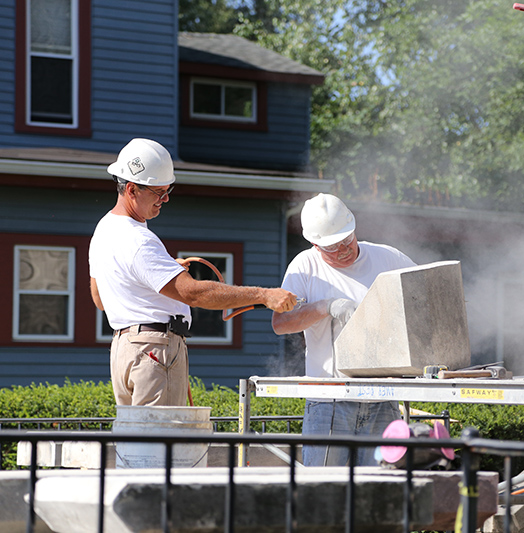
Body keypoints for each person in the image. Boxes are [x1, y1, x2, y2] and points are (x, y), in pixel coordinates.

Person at [89, 138, 297, 406]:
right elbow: (193, 293)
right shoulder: (138, 240)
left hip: (125, 351)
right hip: (154, 350)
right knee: (160, 441)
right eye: (158, 192)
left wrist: (155, 276)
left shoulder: (103, 231)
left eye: (167, 191)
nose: (165, 199)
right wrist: (264, 295)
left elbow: (100, 299)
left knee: (136, 441)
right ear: (131, 189)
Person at [271, 193, 416, 466]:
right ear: (315, 244)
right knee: (325, 494)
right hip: (329, 399)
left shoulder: (389, 259)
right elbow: (280, 323)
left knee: (380, 490)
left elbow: (425, 296)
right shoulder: (305, 267)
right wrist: (325, 307)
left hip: (383, 400)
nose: (344, 250)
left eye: (347, 241)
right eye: (332, 247)